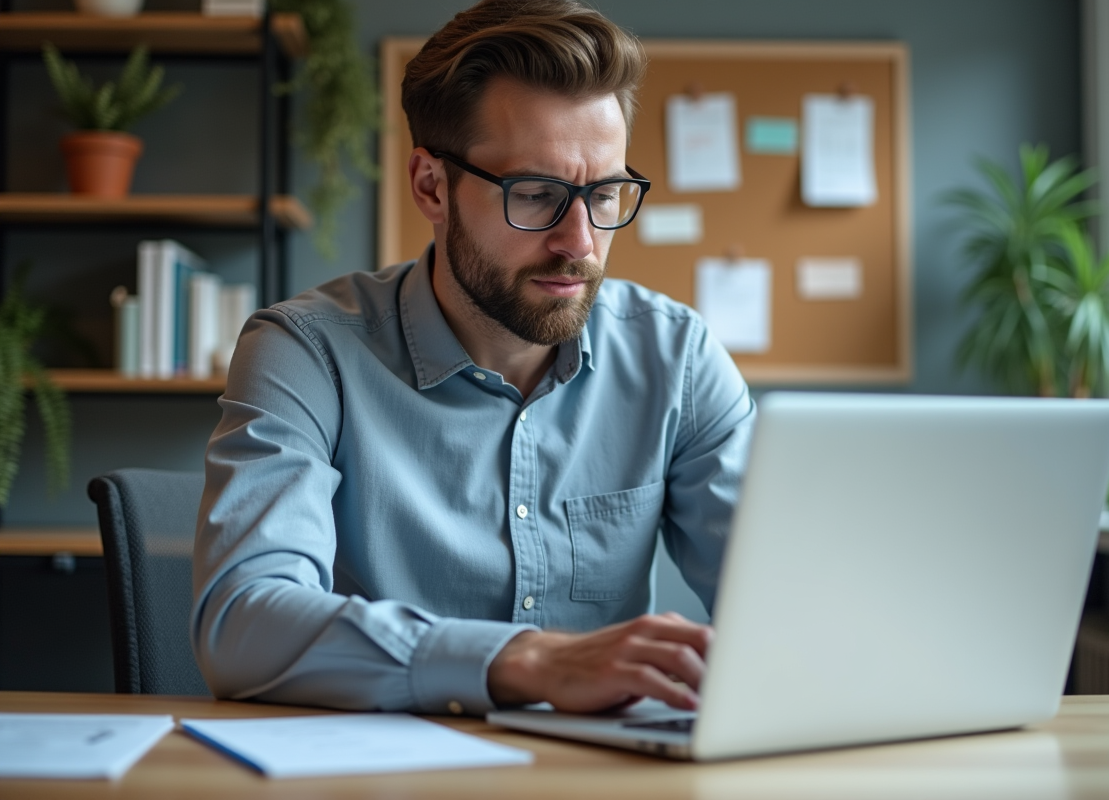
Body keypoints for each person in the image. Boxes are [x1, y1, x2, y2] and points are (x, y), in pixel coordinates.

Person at [191, 0, 755, 717]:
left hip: (603, 770)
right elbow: (241, 625)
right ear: (432, 186)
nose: (580, 241)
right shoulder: (306, 351)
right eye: (537, 194)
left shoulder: (676, 357)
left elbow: (788, 601)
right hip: (382, 767)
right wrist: (529, 662)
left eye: (606, 194)